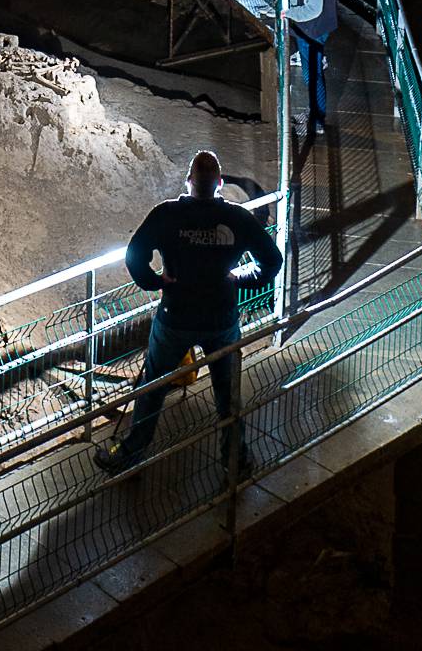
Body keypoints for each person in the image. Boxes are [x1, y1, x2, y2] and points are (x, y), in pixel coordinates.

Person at [93, 150, 281, 478]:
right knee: (228, 394)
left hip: (175, 316)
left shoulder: (167, 215)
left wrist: (155, 281)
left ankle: (130, 455)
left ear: (188, 181)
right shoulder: (237, 219)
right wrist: (242, 278)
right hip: (221, 319)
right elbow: (272, 260)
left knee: (152, 388)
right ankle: (235, 460)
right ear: (220, 184)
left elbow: (135, 254)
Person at [289, 0, 338, 134]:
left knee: (313, 75)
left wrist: (288, 13)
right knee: (312, 74)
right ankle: (313, 112)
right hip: (313, 29)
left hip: (312, 30)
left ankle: (317, 121)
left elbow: (313, 9)